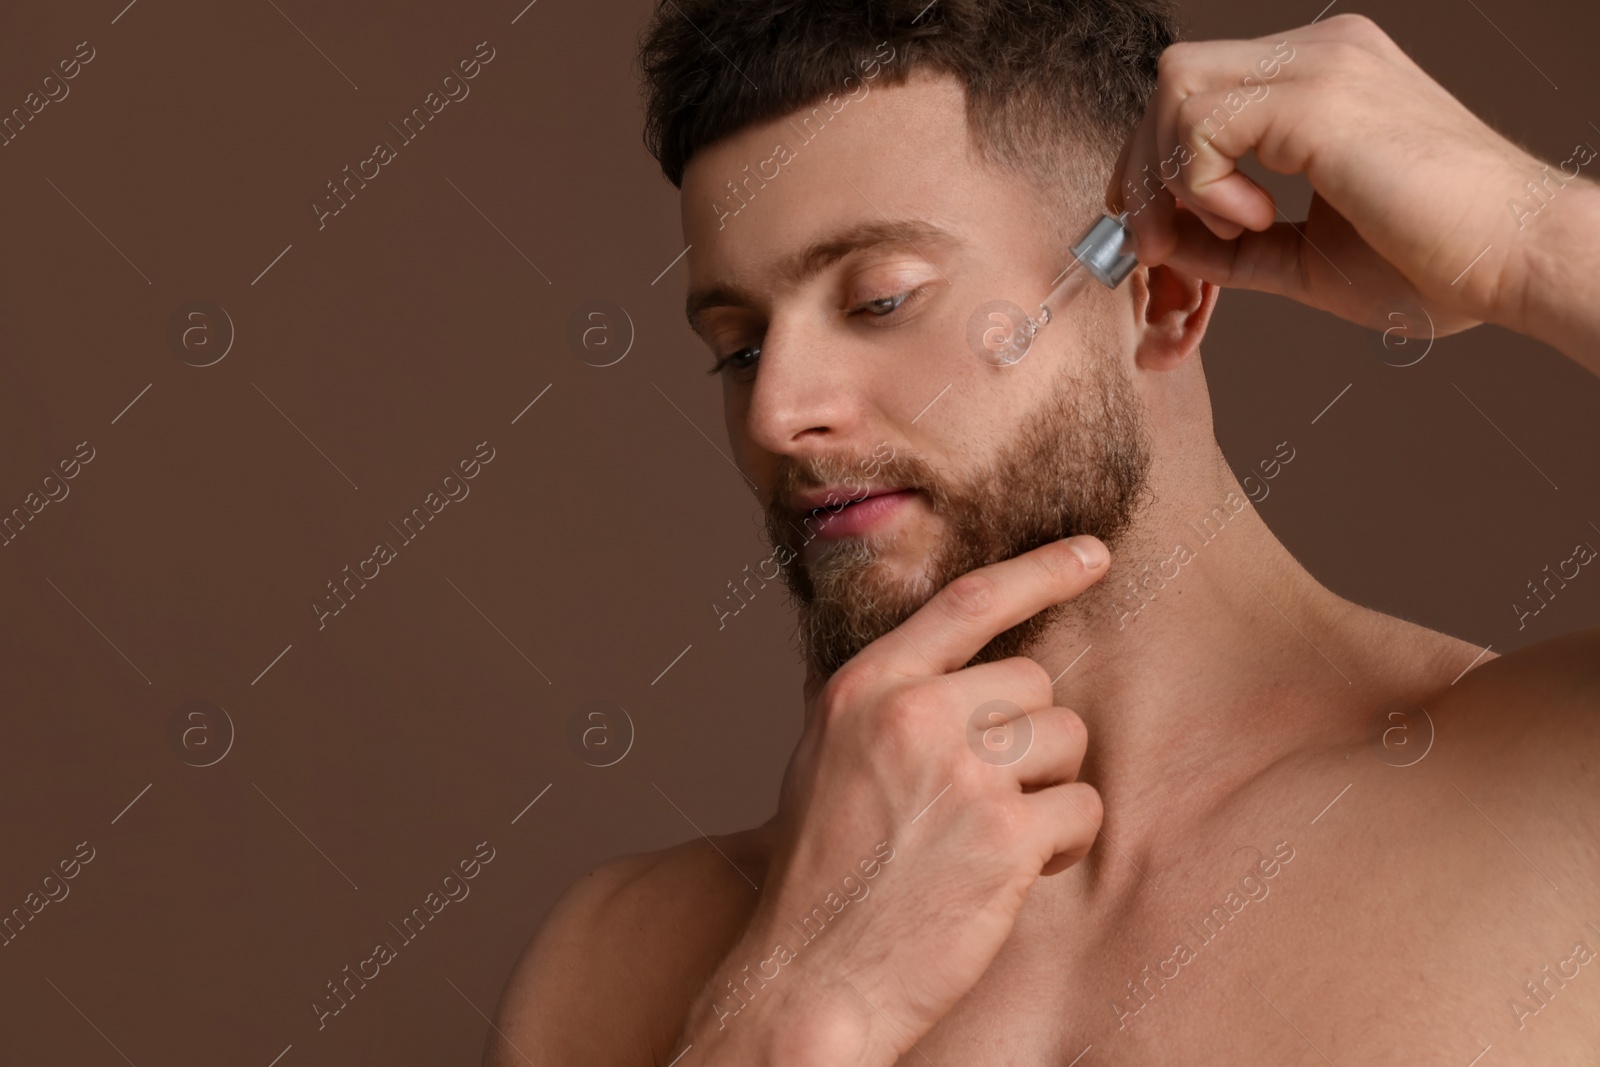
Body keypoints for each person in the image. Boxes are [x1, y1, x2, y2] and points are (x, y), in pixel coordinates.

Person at [487, 3, 1600, 1063]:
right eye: (737, 347)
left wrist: (1542, 240)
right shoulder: (621, 962)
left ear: (1159, 290)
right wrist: (790, 1013)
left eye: (878, 299)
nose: (779, 411)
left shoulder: (1560, 805)